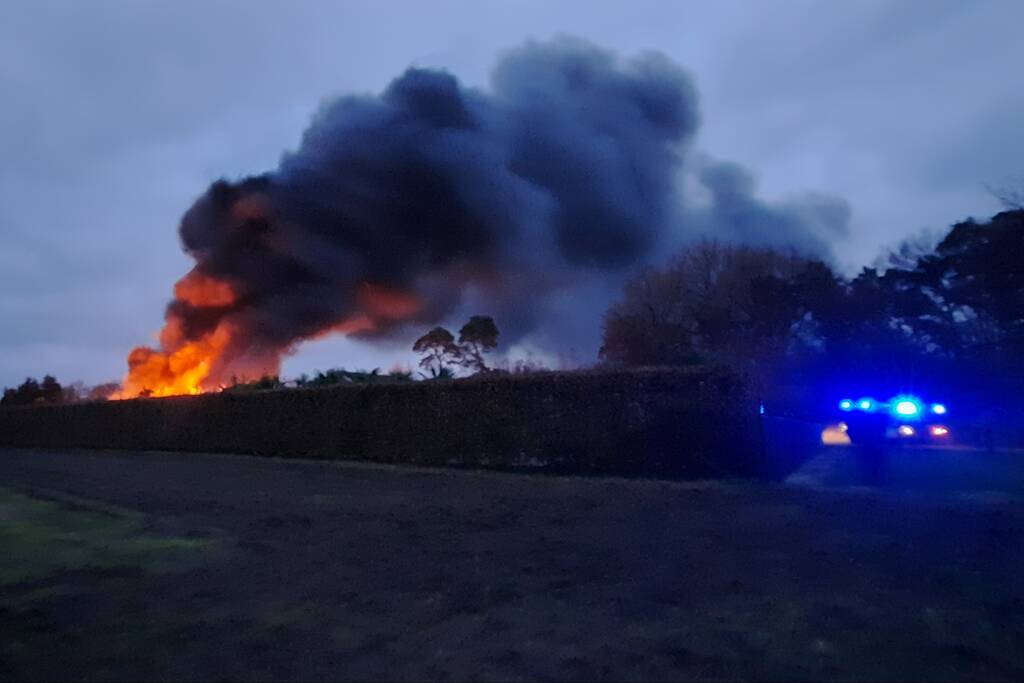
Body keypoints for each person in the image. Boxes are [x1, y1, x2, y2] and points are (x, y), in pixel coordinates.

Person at [844, 411, 890, 486]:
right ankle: (874, 479)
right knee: (872, 462)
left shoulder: (857, 424)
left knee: (868, 462)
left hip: (869, 444)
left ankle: (871, 479)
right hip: (871, 444)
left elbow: (853, 434)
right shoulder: (861, 423)